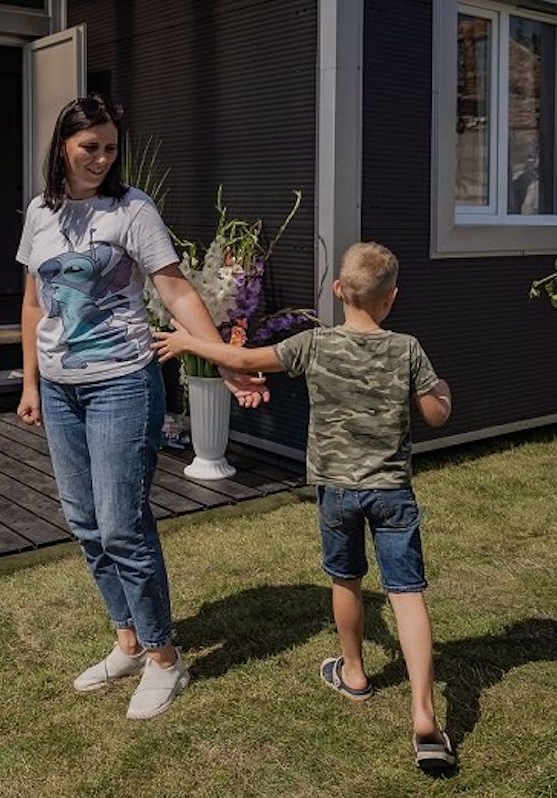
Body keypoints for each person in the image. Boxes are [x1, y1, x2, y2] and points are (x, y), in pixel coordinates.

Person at [152, 242, 458, 768]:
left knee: (347, 581)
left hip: (337, 492)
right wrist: (442, 391)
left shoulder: (314, 344)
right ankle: (424, 712)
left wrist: (187, 342)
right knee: (407, 594)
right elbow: (435, 414)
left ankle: (354, 673)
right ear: (392, 297)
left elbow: (243, 360)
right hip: (392, 492)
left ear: (338, 290)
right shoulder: (407, 349)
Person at [14, 94, 267, 720]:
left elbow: (176, 292)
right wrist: (30, 384)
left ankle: (164, 659)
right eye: (89, 147)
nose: (101, 158)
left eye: (109, 148)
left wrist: (225, 361)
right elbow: (33, 303)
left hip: (122, 385)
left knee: (123, 524)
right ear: (63, 146)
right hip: (59, 388)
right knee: (84, 521)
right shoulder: (41, 212)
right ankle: (127, 641)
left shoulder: (132, 210)